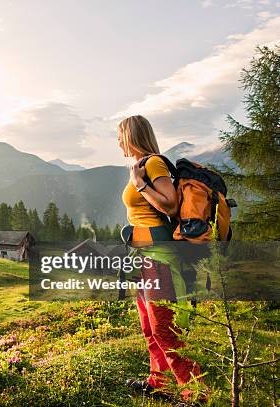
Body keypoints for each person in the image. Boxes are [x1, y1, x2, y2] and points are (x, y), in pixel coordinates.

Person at [117, 115, 207, 403]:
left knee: (164, 328)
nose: (118, 142)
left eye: (120, 136)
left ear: (131, 135)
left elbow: (170, 203)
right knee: (148, 326)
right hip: (144, 257)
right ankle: (160, 382)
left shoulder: (153, 163)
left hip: (160, 259)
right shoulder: (143, 166)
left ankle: (198, 394)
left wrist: (139, 184)